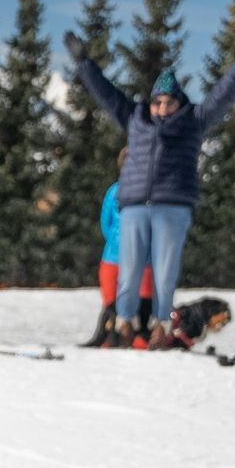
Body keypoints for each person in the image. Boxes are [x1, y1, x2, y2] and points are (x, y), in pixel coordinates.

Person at [65, 30, 235, 350]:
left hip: (173, 205)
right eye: (158, 102)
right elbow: (105, 93)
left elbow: (222, 97)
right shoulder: (135, 118)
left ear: (179, 103)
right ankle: (124, 324)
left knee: (164, 271)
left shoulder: (193, 122)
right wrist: (84, 63)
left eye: (169, 102)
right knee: (129, 270)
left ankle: (161, 325)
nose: (162, 108)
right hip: (135, 203)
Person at [86, 145, 156, 348]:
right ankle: (108, 336)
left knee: (143, 301)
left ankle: (140, 338)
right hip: (113, 256)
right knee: (110, 301)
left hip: (143, 259)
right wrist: (118, 241)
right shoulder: (114, 191)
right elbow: (106, 223)